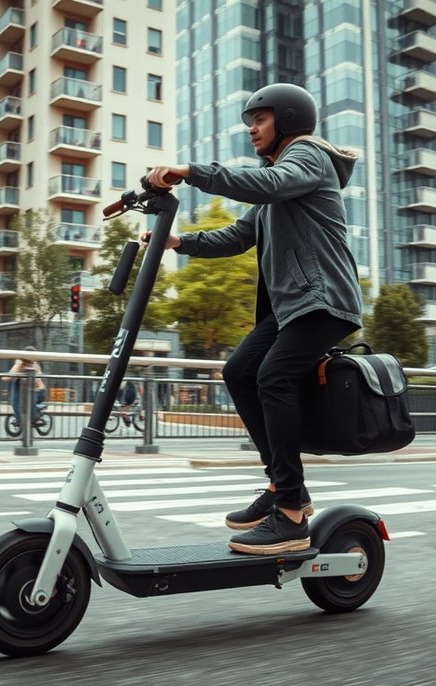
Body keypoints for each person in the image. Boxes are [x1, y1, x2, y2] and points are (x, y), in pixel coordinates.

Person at [141, 83, 363, 555]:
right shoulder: (276, 186)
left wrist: (191, 172)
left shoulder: (307, 156)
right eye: (250, 123)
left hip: (321, 300)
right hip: (290, 308)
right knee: (239, 372)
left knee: (273, 377)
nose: (252, 130)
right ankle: (285, 488)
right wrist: (178, 243)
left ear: (287, 119)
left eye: (259, 120)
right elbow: (238, 237)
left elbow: (271, 183)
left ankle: (291, 516)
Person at [1, 346, 47, 426]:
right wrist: (18, 369)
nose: (27, 362)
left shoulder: (35, 366)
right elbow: (8, 376)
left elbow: (39, 383)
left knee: (30, 402)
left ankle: (35, 418)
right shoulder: (19, 363)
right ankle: (19, 419)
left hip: (35, 389)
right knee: (15, 401)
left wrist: (39, 386)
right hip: (21, 388)